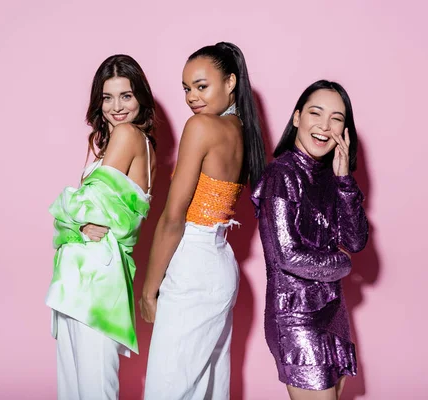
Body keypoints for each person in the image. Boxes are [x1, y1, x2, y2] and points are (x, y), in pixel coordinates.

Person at [139, 42, 266, 399]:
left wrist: (149, 290)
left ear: (230, 82)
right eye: (186, 88)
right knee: (207, 388)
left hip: (194, 264)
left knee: (168, 388)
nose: (191, 97)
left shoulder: (202, 127)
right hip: (220, 264)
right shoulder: (243, 132)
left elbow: (173, 218)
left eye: (201, 85)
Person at [45, 54, 157, 400]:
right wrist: (72, 227)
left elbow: (81, 207)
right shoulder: (103, 145)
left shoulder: (128, 135)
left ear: (140, 97)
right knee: (76, 389)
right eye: (107, 97)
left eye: (126, 96)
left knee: (93, 389)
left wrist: (65, 214)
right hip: (78, 276)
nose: (116, 107)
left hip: (98, 277)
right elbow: (74, 221)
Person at [251, 80, 369, 400]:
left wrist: (344, 181)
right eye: (316, 113)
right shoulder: (281, 175)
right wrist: (342, 263)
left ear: (345, 130)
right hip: (295, 316)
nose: (324, 126)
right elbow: (288, 257)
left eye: (336, 118)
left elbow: (356, 240)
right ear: (297, 118)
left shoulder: (331, 177)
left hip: (333, 312)